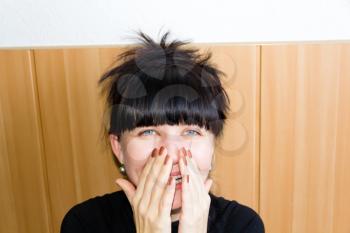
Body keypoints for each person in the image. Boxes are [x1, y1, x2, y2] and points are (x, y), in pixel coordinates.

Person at [60, 31, 265, 233]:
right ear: (118, 147)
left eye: (191, 132)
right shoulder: (84, 224)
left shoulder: (242, 225)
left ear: (212, 146)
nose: (172, 153)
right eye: (148, 132)